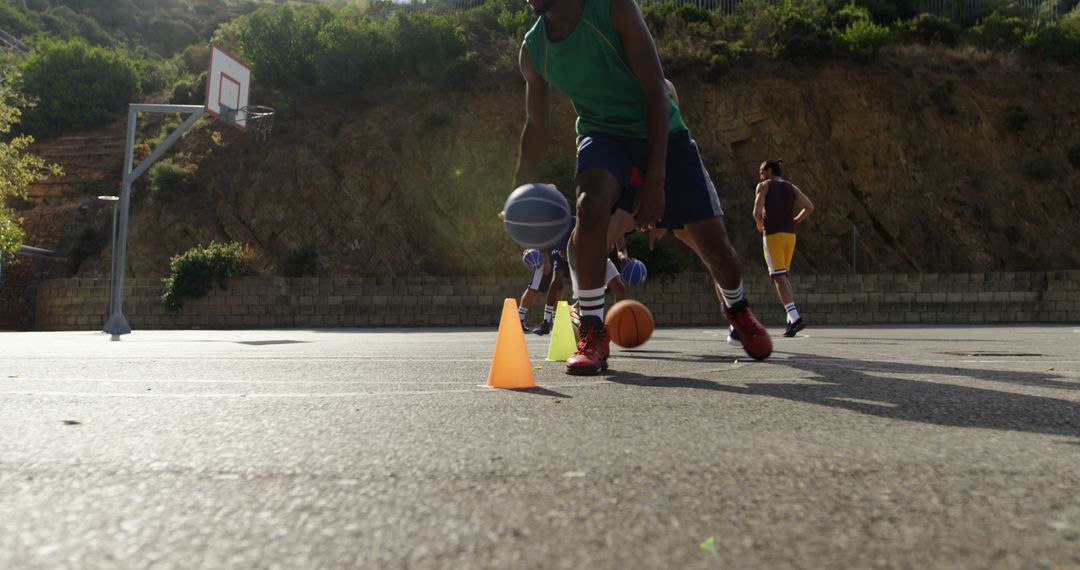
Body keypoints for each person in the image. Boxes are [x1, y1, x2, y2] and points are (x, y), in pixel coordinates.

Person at [514, 0, 772, 375]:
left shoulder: (614, 8)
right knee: (589, 208)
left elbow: (654, 88)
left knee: (715, 245)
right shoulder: (533, 50)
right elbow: (537, 126)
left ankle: (737, 308)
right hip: (601, 134)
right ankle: (592, 331)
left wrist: (655, 180)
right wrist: (518, 191)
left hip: (660, 129)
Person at [753, 159, 815, 337]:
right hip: (790, 235)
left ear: (769, 171)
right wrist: (796, 220)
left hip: (773, 235)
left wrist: (759, 223)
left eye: (762, 171)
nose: (760, 175)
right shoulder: (791, 187)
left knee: (778, 278)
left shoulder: (764, 186)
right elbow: (809, 207)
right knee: (784, 277)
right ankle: (790, 321)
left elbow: (756, 212)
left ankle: (795, 317)